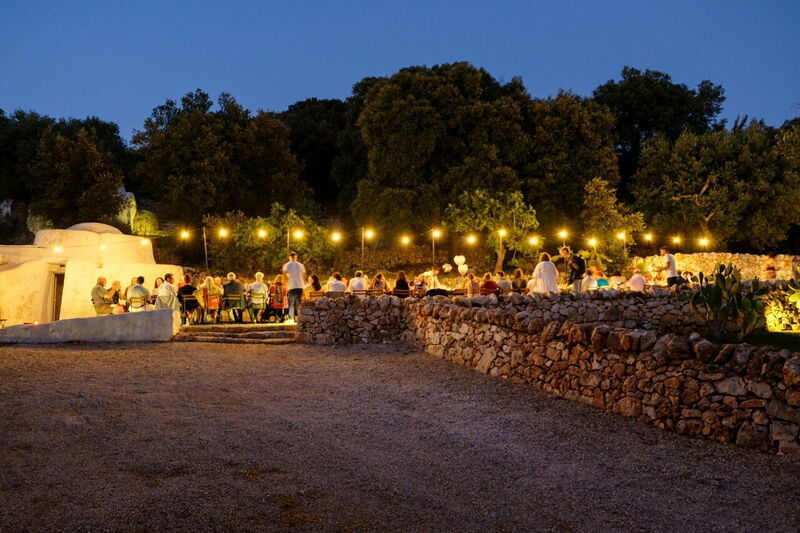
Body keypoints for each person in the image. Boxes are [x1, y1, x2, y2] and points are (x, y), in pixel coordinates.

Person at [282, 252, 307, 323]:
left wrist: (285, 283)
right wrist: (302, 282)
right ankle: (300, 317)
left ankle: (291, 318)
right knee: (299, 302)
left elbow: (284, 275)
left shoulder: (287, 265)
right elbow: (304, 275)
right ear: (296, 257)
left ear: (290, 257)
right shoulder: (300, 265)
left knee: (291, 303)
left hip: (291, 286)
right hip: (300, 286)